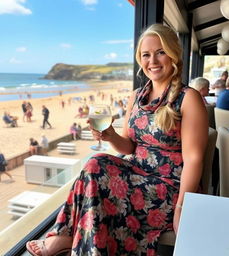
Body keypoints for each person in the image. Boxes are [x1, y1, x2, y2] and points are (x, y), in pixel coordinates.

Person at [26, 23, 208, 256]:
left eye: (160, 52)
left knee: (101, 189)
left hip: (171, 186)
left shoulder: (188, 98)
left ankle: (66, 237)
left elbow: (194, 159)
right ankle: (67, 238)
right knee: (95, 162)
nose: (152, 60)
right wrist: (110, 135)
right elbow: (129, 146)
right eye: (146, 54)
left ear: (173, 53)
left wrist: (182, 206)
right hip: (137, 173)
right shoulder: (137, 96)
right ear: (140, 60)